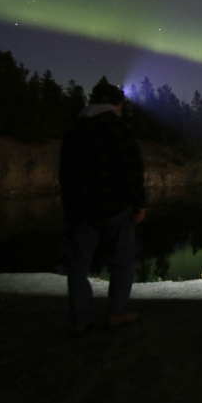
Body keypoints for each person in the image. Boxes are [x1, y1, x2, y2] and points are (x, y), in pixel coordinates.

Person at [58, 81, 147, 335]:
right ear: (115, 105)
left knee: (77, 266)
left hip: (79, 209)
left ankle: (79, 320)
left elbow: (65, 173)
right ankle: (116, 314)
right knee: (121, 261)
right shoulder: (117, 128)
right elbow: (132, 169)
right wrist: (139, 204)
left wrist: (69, 206)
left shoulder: (75, 129)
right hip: (115, 206)